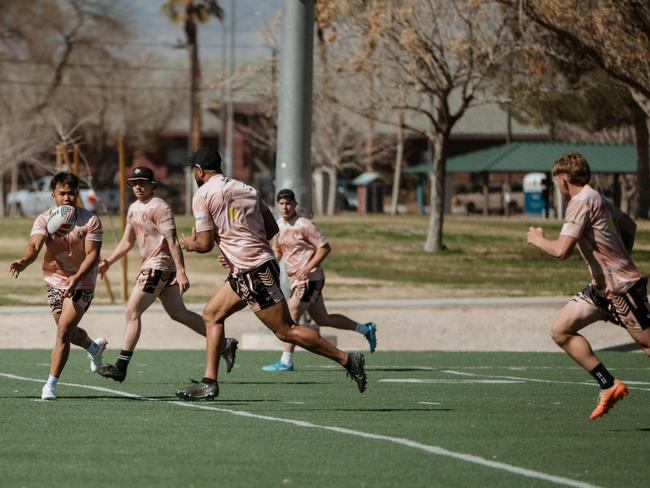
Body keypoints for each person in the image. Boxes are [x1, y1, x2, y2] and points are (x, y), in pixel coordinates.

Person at [174, 147, 367, 400]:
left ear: (199, 171)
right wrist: (244, 248)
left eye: (194, 170)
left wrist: (188, 243)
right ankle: (209, 381)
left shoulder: (203, 194)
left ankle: (347, 360)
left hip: (252, 270)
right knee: (212, 314)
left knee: (286, 330)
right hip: (254, 267)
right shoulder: (248, 190)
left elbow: (205, 243)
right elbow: (271, 227)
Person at [527, 152, 650, 420]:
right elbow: (630, 225)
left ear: (562, 179)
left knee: (648, 345)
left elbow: (562, 251)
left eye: (556, 181)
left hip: (621, 289)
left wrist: (537, 239)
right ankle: (609, 384)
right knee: (561, 330)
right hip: (601, 289)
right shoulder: (599, 198)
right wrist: (619, 257)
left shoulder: (580, 202)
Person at [96, 166, 238, 382]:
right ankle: (224, 343)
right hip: (155, 266)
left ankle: (121, 367)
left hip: (159, 266)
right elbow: (127, 242)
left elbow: (172, 241)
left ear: (152, 185)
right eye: (134, 183)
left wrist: (181, 272)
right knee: (178, 313)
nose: (137, 186)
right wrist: (107, 262)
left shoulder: (160, 207)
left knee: (132, 312)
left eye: (142, 182)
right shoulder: (133, 208)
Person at [9, 171, 107, 400]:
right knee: (68, 331)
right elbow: (34, 246)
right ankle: (94, 348)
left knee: (63, 331)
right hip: (55, 279)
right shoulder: (44, 219)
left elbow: (93, 255)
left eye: (71, 193)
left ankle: (50, 385)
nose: (67, 198)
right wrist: (24, 261)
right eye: (62, 193)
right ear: (53, 194)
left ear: (77, 195)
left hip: (82, 280)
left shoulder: (90, 220)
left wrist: (77, 277)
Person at [261, 188, 377, 372]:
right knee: (323, 319)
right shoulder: (277, 226)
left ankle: (286, 360)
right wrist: (268, 265)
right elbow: (278, 252)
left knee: (291, 314)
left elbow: (324, 248)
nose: (285, 207)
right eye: (282, 204)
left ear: (295, 204)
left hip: (311, 279)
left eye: (289, 203)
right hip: (296, 280)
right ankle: (365, 329)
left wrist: (307, 268)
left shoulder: (305, 225)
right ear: (277, 205)